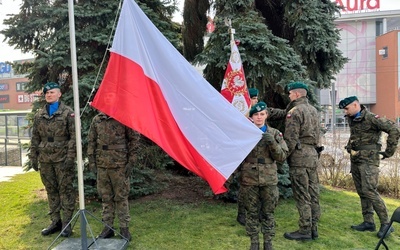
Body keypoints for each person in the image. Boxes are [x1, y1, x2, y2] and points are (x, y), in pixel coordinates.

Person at [339, 96, 400, 238]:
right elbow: (357, 135)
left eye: (347, 109)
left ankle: (386, 224)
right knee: (362, 191)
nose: (345, 112)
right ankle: (368, 222)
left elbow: (394, 130)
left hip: (369, 161)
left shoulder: (372, 118)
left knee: (370, 191)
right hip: (356, 159)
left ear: (355, 105)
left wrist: (389, 151)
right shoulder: (353, 118)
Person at [29, 82, 76, 237]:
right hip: (45, 159)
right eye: (47, 93)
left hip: (62, 159)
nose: (49, 95)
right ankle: (55, 222)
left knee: (66, 191)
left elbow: (74, 137)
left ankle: (67, 224)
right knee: (51, 191)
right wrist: (33, 157)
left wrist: (70, 157)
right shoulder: (39, 115)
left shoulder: (68, 113)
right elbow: (35, 138)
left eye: (52, 92)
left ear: (59, 94)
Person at [241, 102, 288, 250]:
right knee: (252, 213)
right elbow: (236, 155)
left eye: (262, 114)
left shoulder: (275, 134)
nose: (259, 117)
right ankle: (254, 243)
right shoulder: (245, 133)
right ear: (252, 117)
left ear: (266, 115)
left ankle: (268, 243)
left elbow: (282, 157)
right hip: (250, 179)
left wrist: (272, 142)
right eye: (256, 114)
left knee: (268, 212)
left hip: (269, 180)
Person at [87, 112, 141, 241]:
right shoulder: (97, 119)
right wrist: (92, 161)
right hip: (102, 165)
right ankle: (108, 228)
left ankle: (124, 229)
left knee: (121, 197)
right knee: (106, 198)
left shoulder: (124, 117)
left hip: (119, 165)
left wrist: (131, 161)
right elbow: (91, 141)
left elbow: (134, 140)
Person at [281, 82, 321, 241]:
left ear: (296, 94)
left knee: (302, 194)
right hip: (312, 154)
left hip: (299, 157)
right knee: (313, 193)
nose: (289, 96)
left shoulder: (294, 111)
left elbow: (290, 139)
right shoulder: (313, 110)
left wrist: (281, 156)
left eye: (290, 93)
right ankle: (314, 228)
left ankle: (305, 230)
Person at [236, 87, 260, 226]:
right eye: (252, 98)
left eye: (256, 98)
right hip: (245, 156)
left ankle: (256, 212)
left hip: (257, 156)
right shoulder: (241, 114)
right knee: (245, 187)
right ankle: (241, 214)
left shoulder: (258, 114)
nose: (255, 101)